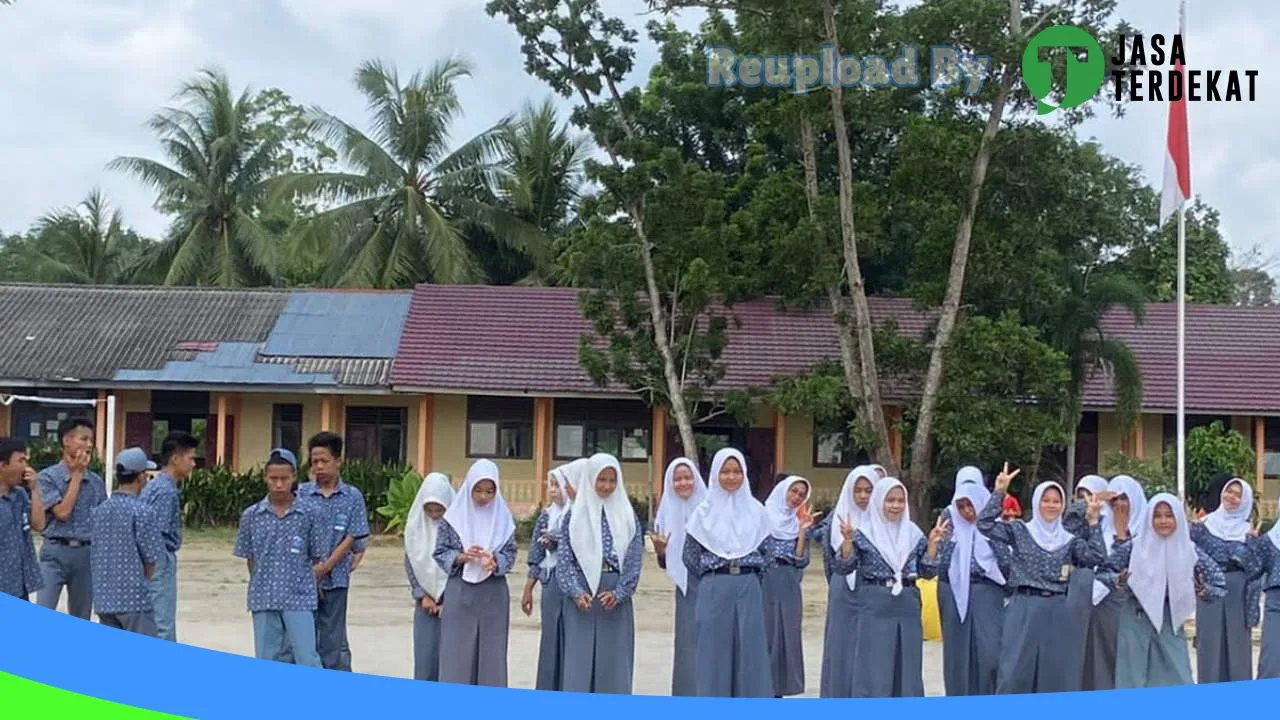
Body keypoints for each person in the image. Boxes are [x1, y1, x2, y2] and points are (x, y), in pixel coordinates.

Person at [977, 463, 1105, 694]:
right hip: (1023, 606)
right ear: (1037, 502)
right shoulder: (1020, 531)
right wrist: (1000, 492)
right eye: (1046, 500)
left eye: (1056, 501)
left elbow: (1097, 556)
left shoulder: (1069, 540)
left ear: (1063, 505)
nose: (1051, 505)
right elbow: (984, 524)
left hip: (1057, 609)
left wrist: (1093, 521)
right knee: (1014, 672)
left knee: (1054, 674)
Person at [682, 447, 775, 698]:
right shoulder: (702, 513)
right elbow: (690, 556)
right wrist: (714, 570)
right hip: (714, 585)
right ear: (715, 474)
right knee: (713, 652)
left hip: (748, 584)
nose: (731, 477)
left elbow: (769, 552)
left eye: (736, 472)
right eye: (725, 471)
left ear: (744, 474)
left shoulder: (757, 511)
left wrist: (748, 571)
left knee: (750, 651)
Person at [1114, 493, 1225, 687]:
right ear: (1149, 518)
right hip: (1135, 617)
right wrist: (1118, 581)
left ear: (1178, 518)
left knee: (1177, 677)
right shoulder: (1134, 547)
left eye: (1169, 515)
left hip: (1171, 619)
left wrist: (1203, 591)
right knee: (1132, 678)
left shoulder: (1189, 550)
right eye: (1157, 515)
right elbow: (1105, 572)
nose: (1163, 521)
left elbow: (1219, 584)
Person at [556, 453, 643, 694]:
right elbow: (565, 560)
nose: (606, 485)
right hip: (582, 595)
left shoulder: (628, 516)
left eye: (611, 480)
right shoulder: (574, 517)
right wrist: (575, 591)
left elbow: (635, 559)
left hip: (614, 595)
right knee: (578, 663)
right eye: (600, 479)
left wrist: (621, 591)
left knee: (614, 665)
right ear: (590, 479)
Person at [232, 449, 327, 667]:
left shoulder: (310, 513)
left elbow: (317, 557)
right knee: (266, 658)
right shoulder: (252, 515)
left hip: (299, 597)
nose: (279, 484)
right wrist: (262, 580)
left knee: (307, 657)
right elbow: (250, 558)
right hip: (263, 597)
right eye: (273, 479)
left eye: (284, 479)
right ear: (265, 478)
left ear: (294, 477)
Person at [833, 476, 926, 697]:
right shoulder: (863, 533)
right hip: (875, 603)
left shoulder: (914, 534)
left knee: (908, 666)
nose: (895, 506)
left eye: (900, 500)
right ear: (878, 502)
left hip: (908, 604)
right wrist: (846, 541)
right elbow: (844, 567)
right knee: (874, 666)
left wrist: (932, 547)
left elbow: (929, 570)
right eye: (890, 500)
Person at [433, 459, 517, 687]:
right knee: (456, 654)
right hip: (460, 591)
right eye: (478, 490)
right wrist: (462, 556)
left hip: (494, 594)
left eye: (490, 491)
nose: (483, 496)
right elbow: (440, 552)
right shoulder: (452, 519)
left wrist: (496, 562)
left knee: (492, 656)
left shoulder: (504, 520)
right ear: (469, 487)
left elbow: (511, 553)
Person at [923, 478, 1007, 696]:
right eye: (961, 507)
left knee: (989, 655)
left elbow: (1007, 565)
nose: (968, 512)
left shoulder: (997, 531)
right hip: (955, 595)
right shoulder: (950, 532)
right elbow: (933, 570)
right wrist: (940, 543)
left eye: (971, 505)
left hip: (988, 594)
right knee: (959, 655)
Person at [296, 432, 370, 672]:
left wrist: (326, 567)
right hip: (303, 579)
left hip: (337, 578)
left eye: (324, 461)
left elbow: (353, 536)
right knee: (304, 636)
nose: (318, 466)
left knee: (333, 640)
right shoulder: (301, 494)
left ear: (338, 462)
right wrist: (311, 569)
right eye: (314, 461)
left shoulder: (352, 496)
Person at [522, 459, 585, 690]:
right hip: (550, 584)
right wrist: (528, 588)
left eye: (558, 485)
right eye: (551, 485)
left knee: (573, 638)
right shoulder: (546, 516)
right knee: (550, 639)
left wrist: (559, 541)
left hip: (576, 585)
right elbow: (535, 556)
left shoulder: (581, 516)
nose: (553, 490)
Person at [1190, 476, 1261, 683]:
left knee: (1237, 647)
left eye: (1238, 495)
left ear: (1245, 500)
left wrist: (1251, 543)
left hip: (1238, 590)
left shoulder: (1248, 530)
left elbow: (1254, 569)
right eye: (1230, 491)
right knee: (1209, 646)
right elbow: (1191, 557)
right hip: (1209, 590)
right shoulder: (1203, 525)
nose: (1232, 497)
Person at [36, 418, 105, 619]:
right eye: (84, 439)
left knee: (81, 616)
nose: (89, 445)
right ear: (67, 441)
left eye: (91, 440)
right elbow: (62, 513)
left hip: (85, 553)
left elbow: (102, 521)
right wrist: (76, 475)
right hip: (55, 552)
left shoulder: (95, 482)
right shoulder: (47, 478)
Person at [90, 447, 162, 637]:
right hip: (134, 600)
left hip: (104, 598)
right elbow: (151, 560)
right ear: (140, 477)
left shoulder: (99, 511)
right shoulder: (143, 512)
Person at [650, 456, 707, 696]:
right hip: (685, 588)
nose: (683, 483)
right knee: (686, 644)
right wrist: (662, 553)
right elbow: (665, 563)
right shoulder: (666, 512)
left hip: (713, 585)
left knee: (712, 643)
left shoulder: (709, 509)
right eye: (677, 479)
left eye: (687, 478)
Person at [1082, 475, 1145, 691]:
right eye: (1114, 500)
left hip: (1133, 606)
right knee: (1101, 661)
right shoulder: (1099, 528)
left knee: (1128, 662)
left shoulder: (1146, 530)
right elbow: (1093, 560)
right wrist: (1096, 498)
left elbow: (1130, 567)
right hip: (1101, 607)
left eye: (1124, 499)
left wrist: (1121, 534)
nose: (1119, 505)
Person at [820, 464, 876, 698]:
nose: (863, 496)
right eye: (858, 490)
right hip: (842, 589)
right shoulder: (837, 522)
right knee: (841, 645)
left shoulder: (883, 520)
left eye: (869, 490)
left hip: (871, 591)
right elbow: (829, 561)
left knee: (870, 646)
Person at [140, 430, 198, 642]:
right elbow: (157, 534)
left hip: (152, 558)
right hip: (160, 558)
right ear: (175, 459)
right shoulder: (166, 491)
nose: (194, 463)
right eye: (190, 458)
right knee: (162, 622)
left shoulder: (156, 485)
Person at [761, 474, 816, 697]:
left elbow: (801, 560)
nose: (796, 497)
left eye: (801, 495)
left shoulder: (799, 522)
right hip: (765, 581)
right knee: (765, 632)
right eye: (793, 491)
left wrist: (802, 531)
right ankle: (759, 685)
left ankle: (779, 689)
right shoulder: (761, 517)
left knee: (786, 634)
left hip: (789, 582)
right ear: (783, 490)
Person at [1059, 473, 1109, 692]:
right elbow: (1071, 545)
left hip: (1108, 593)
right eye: (1080, 496)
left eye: (1091, 495)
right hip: (1080, 588)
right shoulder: (1073, 523)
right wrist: (1085, 514)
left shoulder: (1114, 521)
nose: (1086, 500)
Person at [404, 472, 455, 682]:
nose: (434, 514)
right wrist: (422, 595)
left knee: (452, 659)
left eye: (439, 509)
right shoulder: (415, 530)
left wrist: (450, 598)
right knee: (425, 658)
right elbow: (411, 564)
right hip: (425, 604)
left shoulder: (458, 529)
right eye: (429, 509)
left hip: (454, 603)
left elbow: (461, 566)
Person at [0, 437, 43, 600]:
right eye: (20, 460)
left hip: (19, 584)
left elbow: (39, 525)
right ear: (3, 466)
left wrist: (34, 489)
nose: (26, 467)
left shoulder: (20, 495)